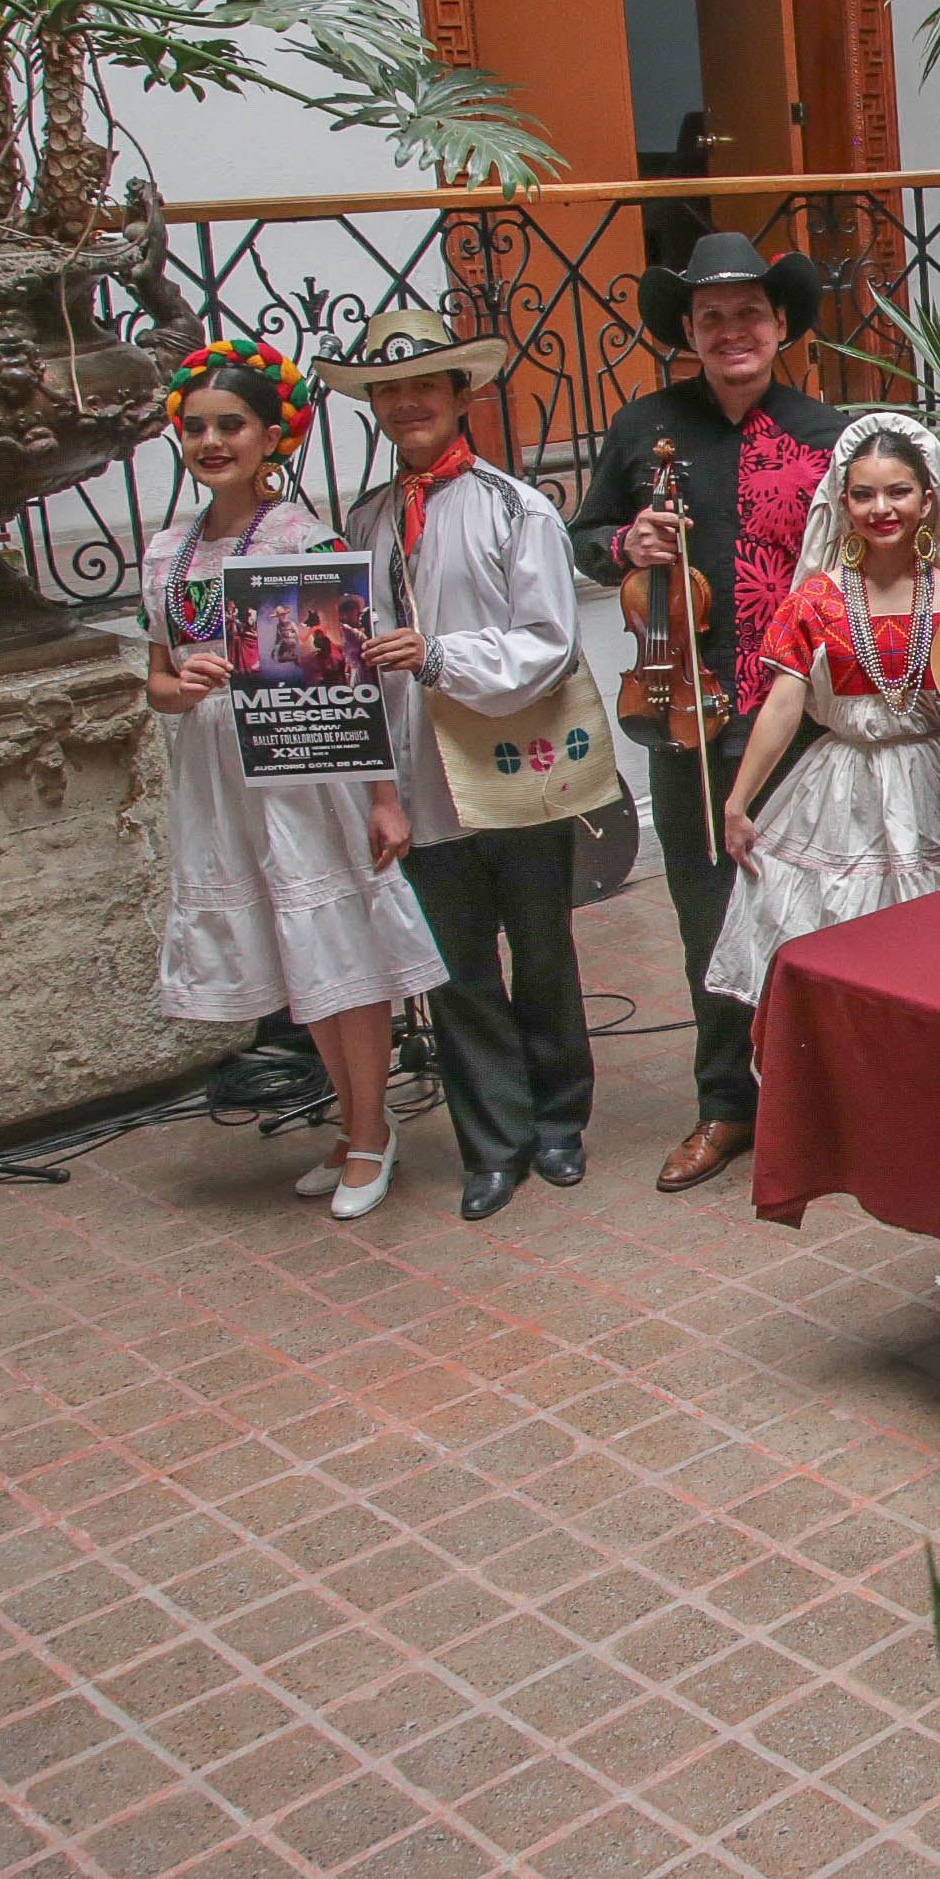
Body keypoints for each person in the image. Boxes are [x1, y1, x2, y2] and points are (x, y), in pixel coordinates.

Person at [567, 232, 847, 1196]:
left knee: (810, 911)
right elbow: (586, 540)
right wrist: (621, 543)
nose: (734, 332)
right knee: (706, 912)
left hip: (803, 710)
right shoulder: (647, 426)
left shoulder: (826, 434)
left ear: (781, 328)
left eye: (751, 315)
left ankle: (820, 1103)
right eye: (713, 317)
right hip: (681, 711)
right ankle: (726, 1102)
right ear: (688, 331)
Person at [141, 338, 447, 1220]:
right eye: (195, 428)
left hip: (302, 770)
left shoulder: (300, 542)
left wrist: (384, 800)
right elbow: (159, 684)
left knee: (340, 952)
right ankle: (356, 1125)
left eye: (230, 425)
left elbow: (348, 685)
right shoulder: (165, 553)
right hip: (218, 775)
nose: (211, 442)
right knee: (293, 957)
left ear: (271, 434)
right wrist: (183, 684)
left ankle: (371, 1134)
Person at [327, 309, 616, 1223]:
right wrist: (378, 790)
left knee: (542, 954)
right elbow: (348, 667)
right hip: (419, 788)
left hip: (513, 773)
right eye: (388, 391)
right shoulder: (365, 523)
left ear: (462, 396)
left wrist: (439, 657)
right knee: (454, 969)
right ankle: (492, 1143)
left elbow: (547, 644)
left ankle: (560, 1123)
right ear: (374, 407)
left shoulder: (514, 509)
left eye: (425, 386)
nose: (406, 403)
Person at [706, 414, 940, 996]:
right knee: (851, 938)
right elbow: (783, 705)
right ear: (843, 502)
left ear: (928, 499)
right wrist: (738, 802)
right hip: (844, 782)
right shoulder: (816, 599)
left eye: (898, 491)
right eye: (864, 494)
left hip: (937, 776)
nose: (881, 508)